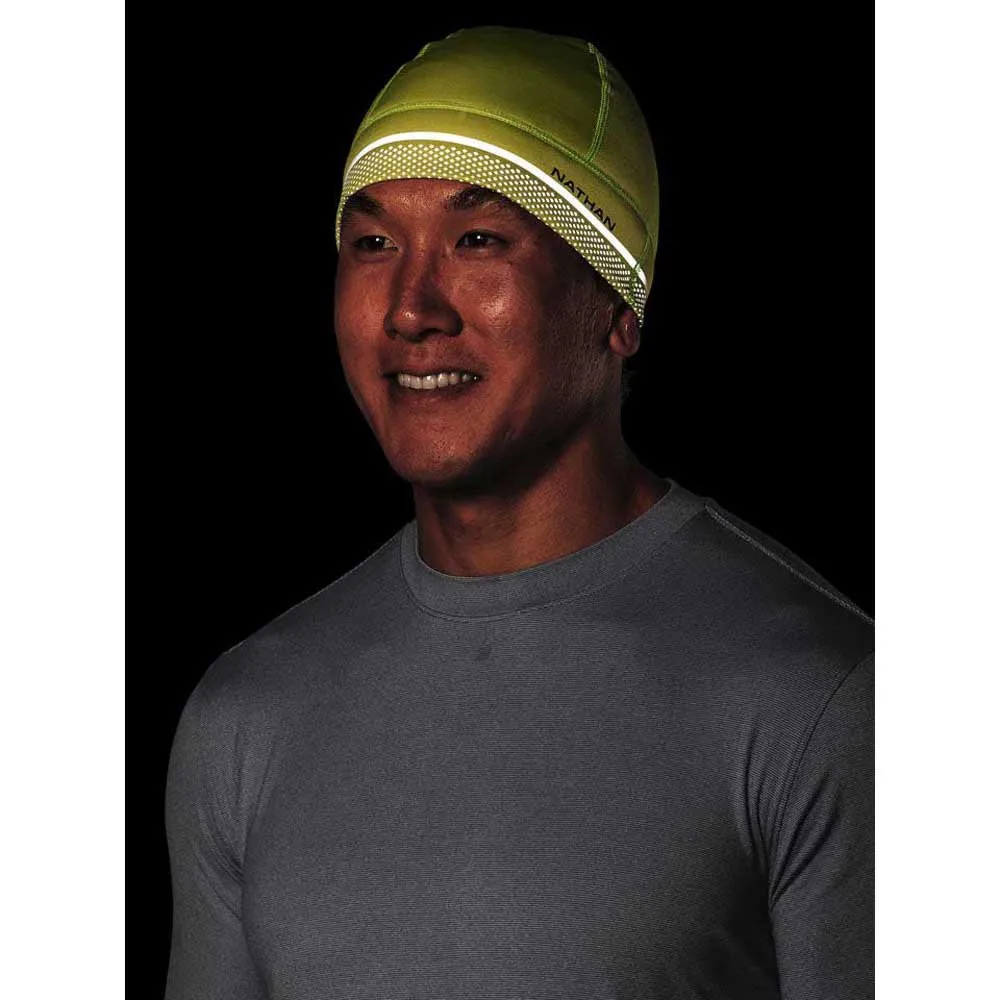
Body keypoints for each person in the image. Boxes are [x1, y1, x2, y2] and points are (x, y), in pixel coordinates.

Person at [164, 25, 874, 1000]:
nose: (410, 308)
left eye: (478, 240)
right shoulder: (247, 715)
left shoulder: (825, 701)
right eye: (372, 244)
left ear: (617, 305)